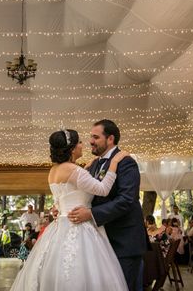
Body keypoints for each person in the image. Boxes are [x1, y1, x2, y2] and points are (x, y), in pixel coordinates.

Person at [10, 127, 131, 290]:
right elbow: (103, 189)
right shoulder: (74, 171)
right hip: (79, 226)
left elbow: (65, 194)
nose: (83, 144)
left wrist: (57, 207)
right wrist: (114, 163)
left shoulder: (54, 171)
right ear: (72, 148)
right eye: (80, 142)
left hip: (59, 226)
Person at [68, 120, 148, 290]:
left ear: (110, 139)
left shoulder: (126, 162)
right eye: (90, 137)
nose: (90, 141)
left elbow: (126, 199)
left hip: (124, 243)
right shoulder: (94, 164)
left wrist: (91, 214)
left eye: (95, 137)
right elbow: (86, 194)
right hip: (102, 243)